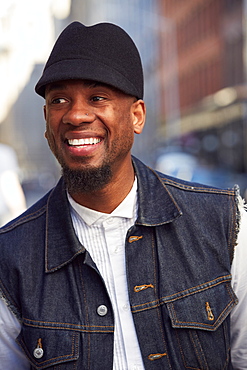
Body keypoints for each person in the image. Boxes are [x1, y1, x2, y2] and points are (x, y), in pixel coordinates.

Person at [0, 21, 247, 370]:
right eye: (59, 100)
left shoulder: (224, 224)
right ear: (46, 122)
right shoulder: (10, 257)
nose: (76, 114)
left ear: (136, 116)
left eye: (97, 97)